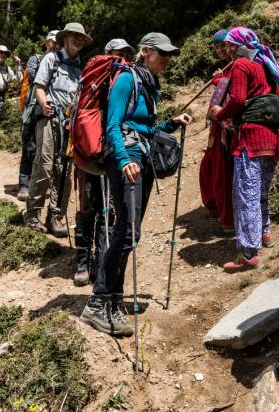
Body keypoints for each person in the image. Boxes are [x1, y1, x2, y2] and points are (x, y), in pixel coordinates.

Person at [80, 33, 192, 336]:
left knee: (128, 232)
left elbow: (143, 128)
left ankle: (113, 301)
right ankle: (97, 302)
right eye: (162, 54)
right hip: (126, 160)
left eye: (168, 54)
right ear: (144, 52)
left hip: (140, 158)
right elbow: (113, 124)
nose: (167, 59)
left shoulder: (148, 84)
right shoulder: (127, 79)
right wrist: (123, 158)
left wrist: (170, 124)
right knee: (129, 231)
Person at [209, 26, 279, 271]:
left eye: (230, 44)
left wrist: (219, 114)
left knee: (246, 193)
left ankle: (248, 253)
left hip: (250, 137)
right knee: (261, 190)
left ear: (237, 44)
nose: (228, 48)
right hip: (272, 137)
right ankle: (264, 233)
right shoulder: (265, 64)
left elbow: (236, 99)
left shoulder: (240, 65)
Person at [72, 38, 136, 286]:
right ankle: (85, 261)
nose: (122, 59)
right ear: (108, 54)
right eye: (119, 54)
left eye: (124, 55)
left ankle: (94, 262)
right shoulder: (98, 77)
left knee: (101, 209)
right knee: (96, 208)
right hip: (97, 150)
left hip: (100, 151)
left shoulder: (101, 77)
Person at [25, 23, 91, 237]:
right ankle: (32, 215)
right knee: (44, 165)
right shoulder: (52, 59)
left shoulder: (80, 67)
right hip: (50, 118)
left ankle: (55, 216)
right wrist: (44, 105)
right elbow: (39, 86)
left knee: (64, 170)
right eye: (75, 36)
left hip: (70, 124)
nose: (79, 40)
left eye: (81, 37)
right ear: (65, 38)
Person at [199, 29, 235, 235]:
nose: (221, 50)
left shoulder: (237, 66)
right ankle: (215, 208)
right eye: (217, 46)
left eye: (224, 45)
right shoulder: (226, 68)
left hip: (226, 129)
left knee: (222, 172)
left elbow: (233, 94)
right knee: (208, 168)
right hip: (218, 127)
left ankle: (227, 219)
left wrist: (219, 81)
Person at [18, 31, 59, 200]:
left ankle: (43, 185)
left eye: (58, 42)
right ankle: (24, 185)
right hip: (34, 108)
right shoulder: (36, 59)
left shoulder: (63, 63)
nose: (55, 45)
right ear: (46, 42)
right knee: (30, 147)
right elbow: (36, 78)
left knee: (48, 151)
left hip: (51, 111)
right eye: (52, 41)